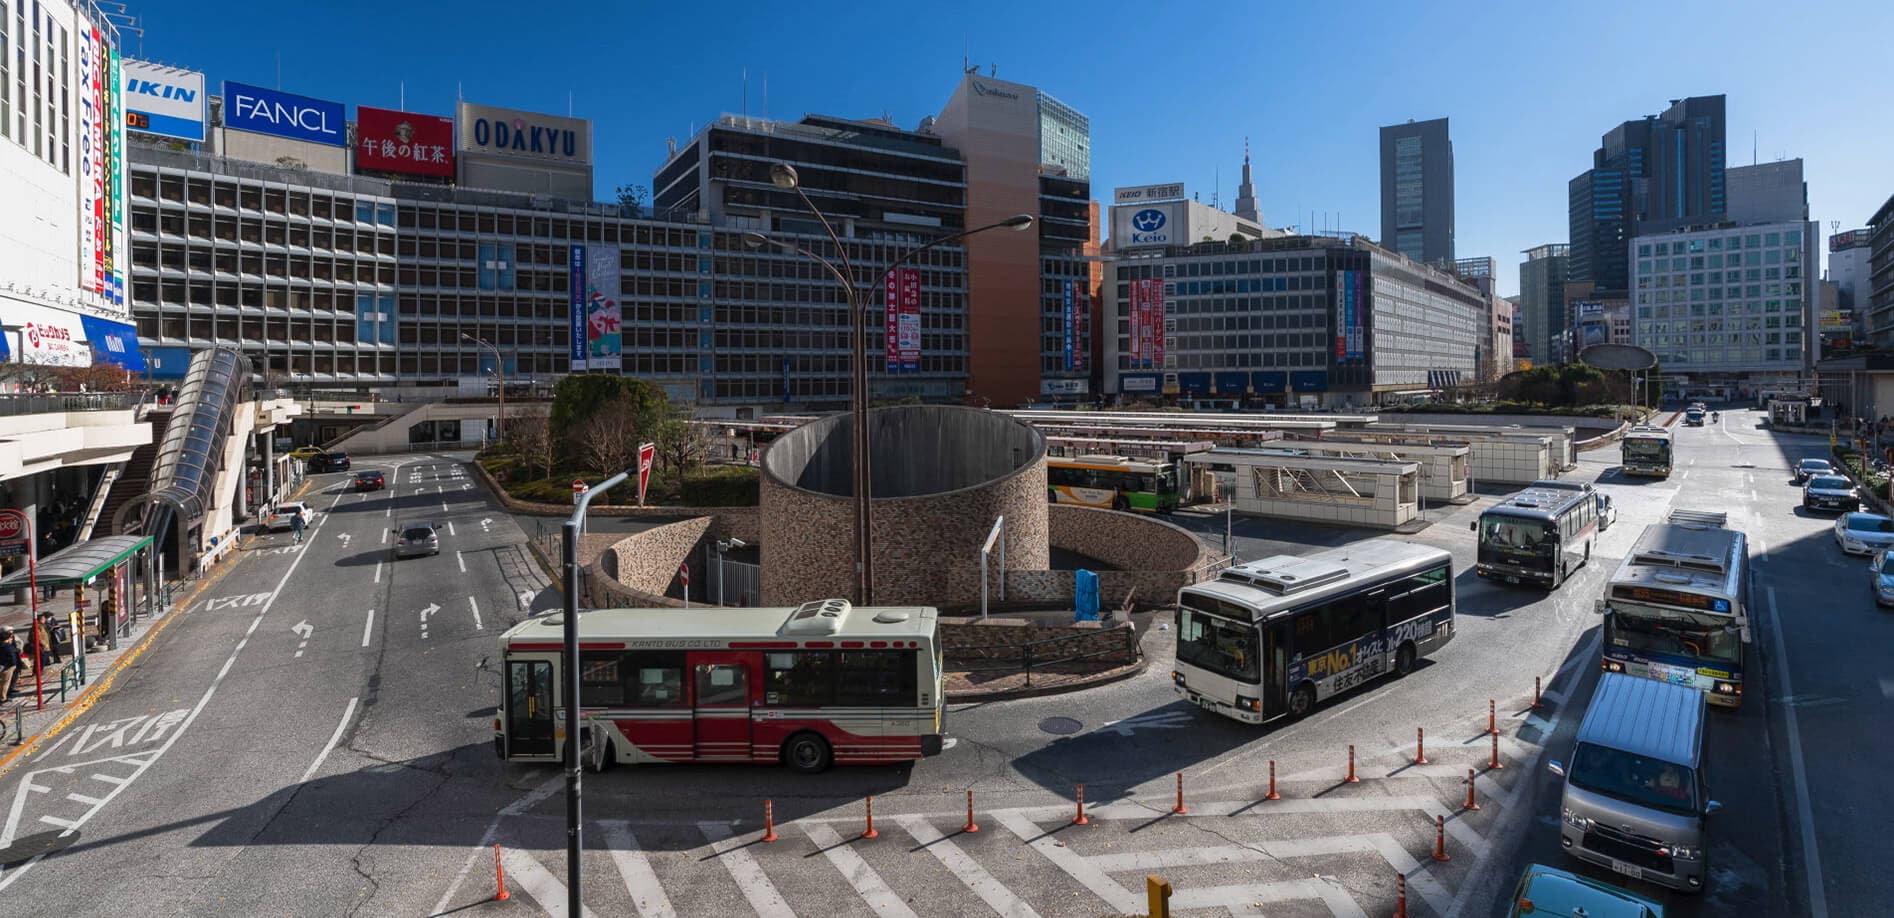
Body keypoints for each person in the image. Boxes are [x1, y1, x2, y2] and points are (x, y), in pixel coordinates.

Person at [0, 628, 21, 701]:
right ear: (7, 638)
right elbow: (12, 658)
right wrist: (13, 665)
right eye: (10, 638)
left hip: (2, 665)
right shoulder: (8, 647)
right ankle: (3, 698)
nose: (12, 639)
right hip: (7, 667)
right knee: (5, 683)